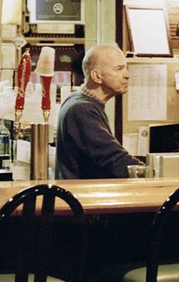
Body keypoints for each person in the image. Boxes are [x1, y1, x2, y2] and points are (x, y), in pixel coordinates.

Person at [54, 43, 138, 180]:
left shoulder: (78, 101)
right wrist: (154, 173)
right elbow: (113, 160)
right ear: (97, 76)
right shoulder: (82, 109)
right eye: (119, 69)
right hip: (83, 197)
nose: (127, 75)